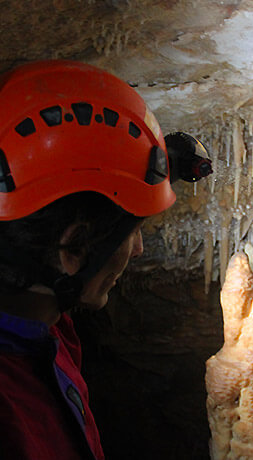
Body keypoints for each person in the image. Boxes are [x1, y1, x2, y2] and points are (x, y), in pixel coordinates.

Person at [0, 60, 211, 459]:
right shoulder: (12, 421)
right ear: (73, 247)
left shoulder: (46, 325)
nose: (139, 250)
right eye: (133, 232)